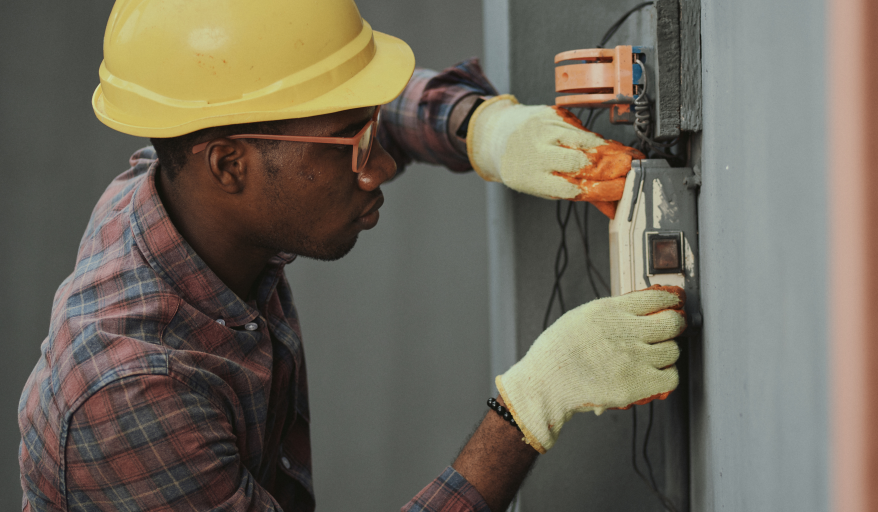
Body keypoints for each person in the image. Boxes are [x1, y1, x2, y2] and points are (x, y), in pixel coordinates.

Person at [17, 1, 686, 511]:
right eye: (352, 147)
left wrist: (480, 128)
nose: (376, 170)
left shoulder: (183, 182)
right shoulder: (132, 393)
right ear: (227, 165)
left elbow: (327, 113)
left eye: (370, 132)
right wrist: (531, 406)